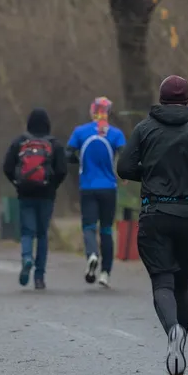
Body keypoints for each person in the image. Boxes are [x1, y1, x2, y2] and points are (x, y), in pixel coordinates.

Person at [116, 75, 188, 375]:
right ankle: (179, 354)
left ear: (162, 99)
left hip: (155, 213)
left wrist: (153, 174)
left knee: (162, 282)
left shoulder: (145, 128)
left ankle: (172, 331)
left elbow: (125, 168)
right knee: (182, 284)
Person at [3, 108, 68, 290]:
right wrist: (52, 185)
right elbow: (62, 170)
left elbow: (7, 166)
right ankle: (39, 277)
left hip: (25, 194)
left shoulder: (20, 142)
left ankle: (26, 258)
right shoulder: (54, 144)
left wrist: (17, 183)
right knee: (42, 234)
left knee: (26, 232)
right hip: (46, 195)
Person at [67, 97, 127, 287]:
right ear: (108, 112)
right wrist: (124, 174)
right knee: (107, 230)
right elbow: (125, 156)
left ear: (92, 111)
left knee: (89, 227)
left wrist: (81, 162)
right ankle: (105, 273)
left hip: (88, 187)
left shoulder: (80, 132)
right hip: (109, 188)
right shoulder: (116, 134)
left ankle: (92, 254)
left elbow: (68, 154)